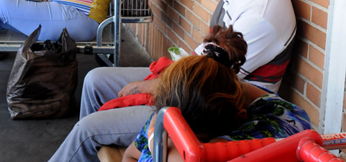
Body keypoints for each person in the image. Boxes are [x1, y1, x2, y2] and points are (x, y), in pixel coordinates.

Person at [48, 0, 297, 162]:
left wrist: (152, 85)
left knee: (86, 130)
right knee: (95, 79)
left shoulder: (262, 15)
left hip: (208, 106)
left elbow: (207, 83)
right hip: (191, 75)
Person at [123, 25, 310, 162]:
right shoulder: (171, 109)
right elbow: (130, 155)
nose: (175, 143)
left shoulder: (278, 127)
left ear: (240, 120)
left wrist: (155, 135)